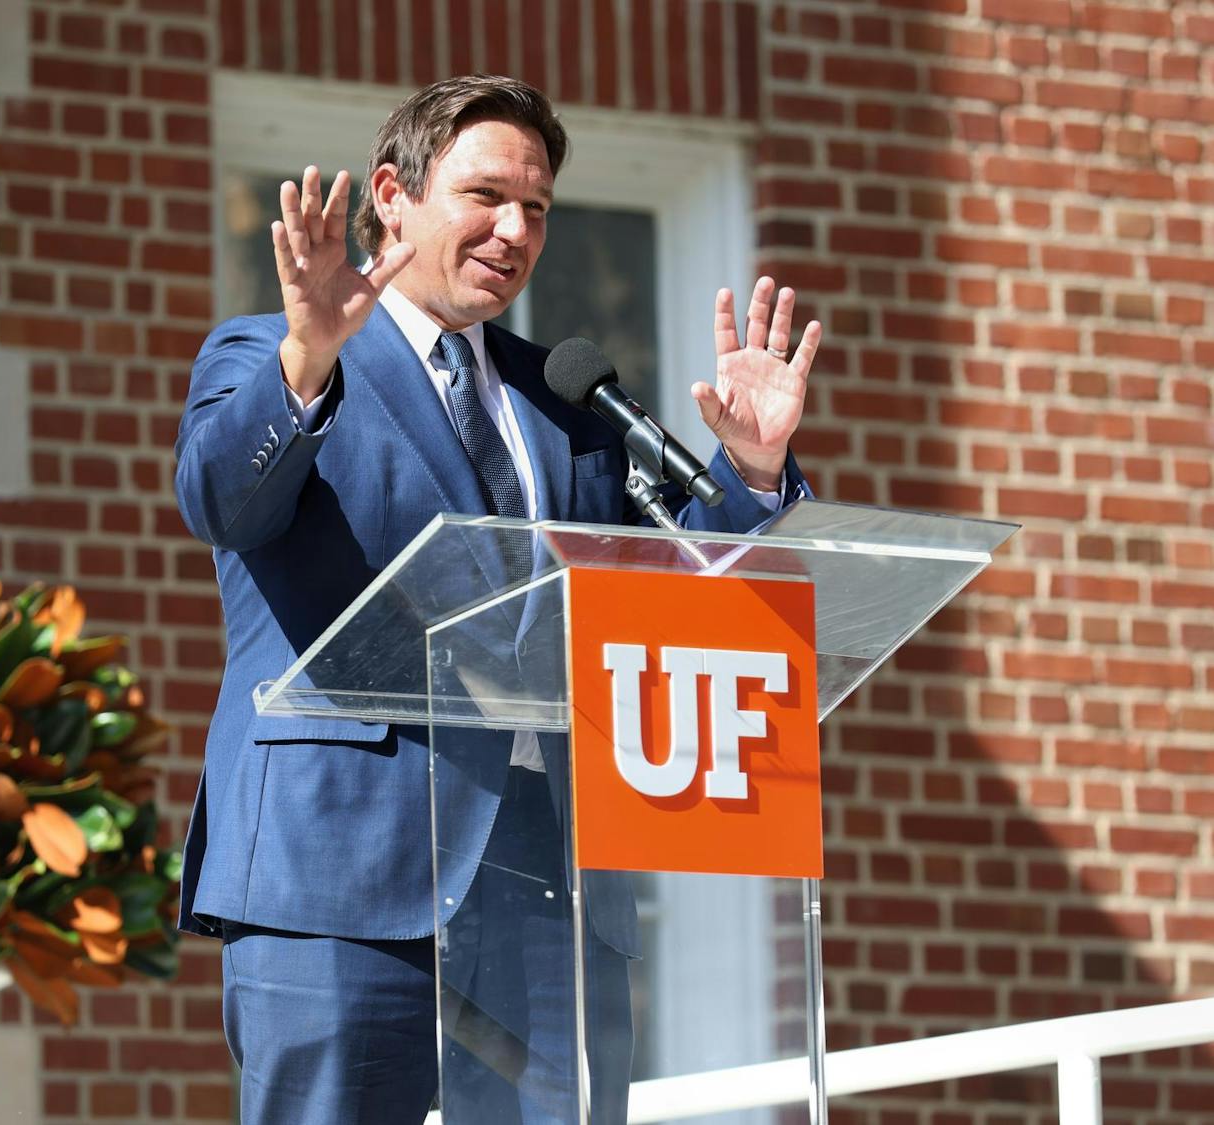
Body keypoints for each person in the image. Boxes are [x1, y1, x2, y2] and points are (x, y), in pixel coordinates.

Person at [173, 74, 822, 1124]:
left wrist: (749, 472)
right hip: (341, 874)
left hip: (544, 890)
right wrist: (306, 356)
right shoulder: (272, 353)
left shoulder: (568, 398)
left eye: (537, 208)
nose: (516, 231)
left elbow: (673, 601)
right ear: (393, 195)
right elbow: (220, 503)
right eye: (486, 197)